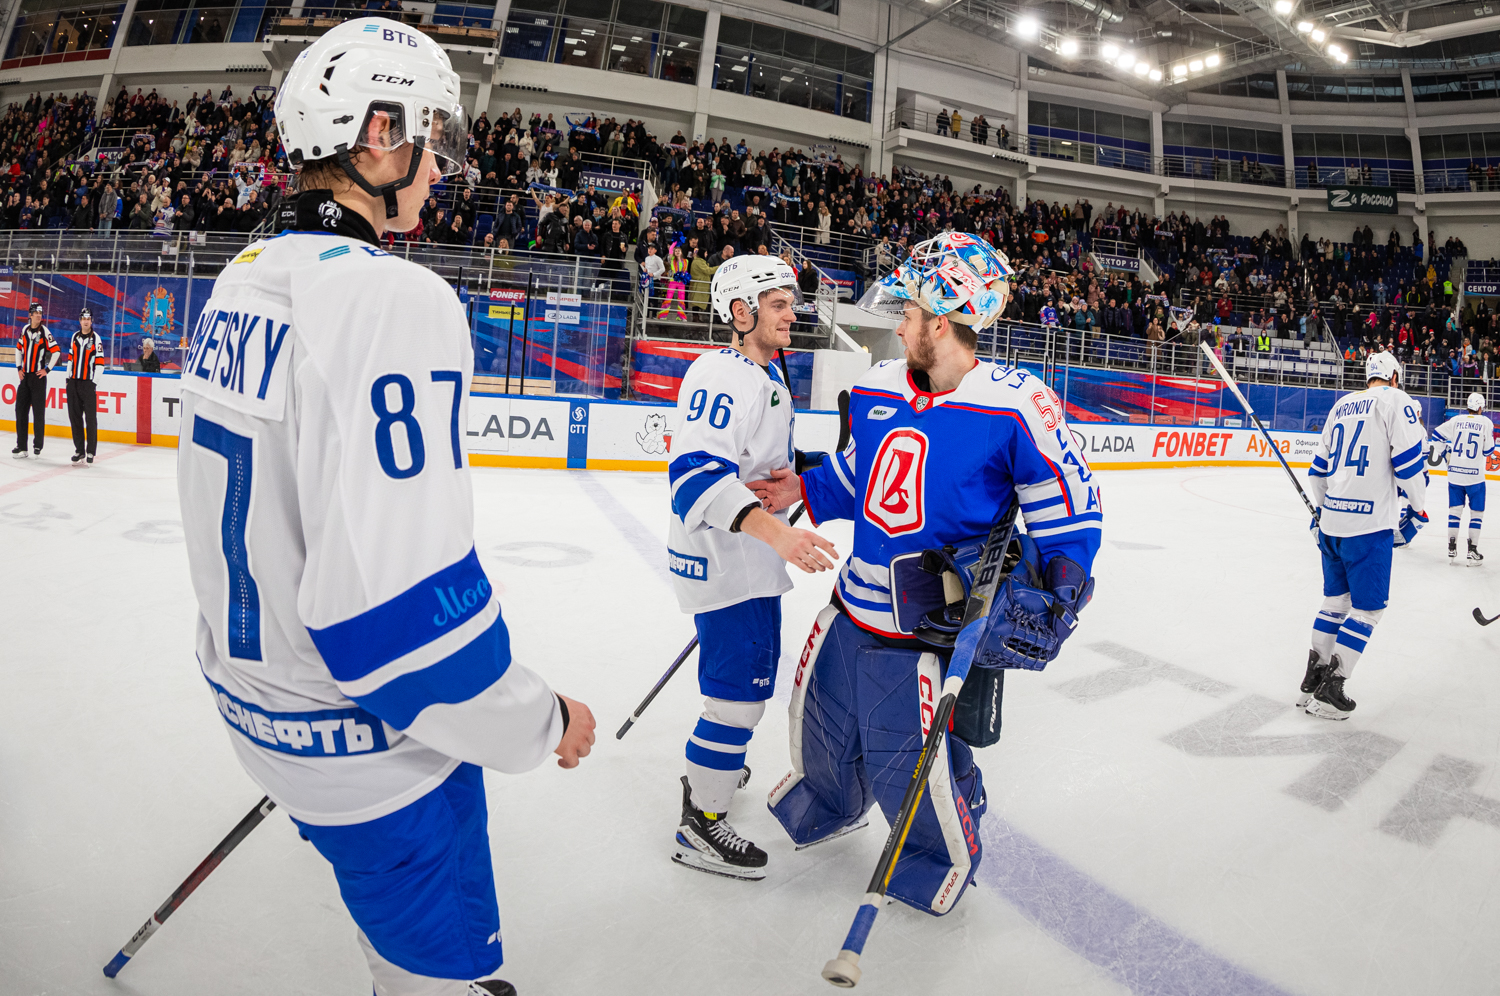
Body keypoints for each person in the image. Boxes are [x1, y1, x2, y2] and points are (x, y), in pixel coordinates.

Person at [173, 19, 595, 996]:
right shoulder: (394, 302)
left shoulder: (242, 281)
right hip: (369, 749)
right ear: (377, 131)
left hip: (255, 711)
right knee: (435, 976)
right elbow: (399, 616)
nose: (440, 169)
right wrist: (541, 722)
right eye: (432, 140)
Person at [748, 232, 1101, 917]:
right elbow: (863, 476)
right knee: (822, 721)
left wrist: (1061, 586)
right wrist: (804, 487)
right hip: (853, 605)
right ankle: (829, 795)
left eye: (907, 312)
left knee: (905, 755)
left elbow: (1069, 507)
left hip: (925, 627)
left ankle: (936, 852)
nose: (897, 323)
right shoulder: (878, 387)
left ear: (942, 320)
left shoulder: (1015, 405)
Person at [665, 255, 839, 880]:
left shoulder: (761, 374)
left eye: (793, 303)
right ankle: (700, 823)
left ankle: (717, 764)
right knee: (738, 698)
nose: (793, 314)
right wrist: (780, 539)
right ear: (740, 313)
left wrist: (822, 470)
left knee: (740, 685)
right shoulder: (722, 373)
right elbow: (694, 478)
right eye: (778, 305)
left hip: (742, 558)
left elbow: (770, 463)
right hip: (727, 561)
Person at [1302, 351, 1429, 720]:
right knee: (1368, 610)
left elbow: (1317, 472)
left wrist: (1323, 512)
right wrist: (1418, 507)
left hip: (1332, 526)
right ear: (1394, 377)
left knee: (1334, 604)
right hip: (1368, 527)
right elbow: (1408, 466)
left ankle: (1312, 679)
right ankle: (1332, 689)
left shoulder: (1342, 404)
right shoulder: (1396, 399)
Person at [1434, 392, 1494, 564]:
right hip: (1475, 477)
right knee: (1477, 513)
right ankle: (1472, 551)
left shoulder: (1456, 420)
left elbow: (1436, 436)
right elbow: (1488, 451)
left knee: (1454, 511)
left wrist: (1445, 452)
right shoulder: (1485, 422)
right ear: (1481, 407)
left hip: (1455, 474)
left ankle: (1451, 548)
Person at [12, 303, 59, 458]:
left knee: (38, 413)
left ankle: (37, 446)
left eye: (40, 313)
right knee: (20, 410)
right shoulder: (25, 330)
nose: (39, 315)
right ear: (30, 315)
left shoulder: (45, 332)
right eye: (36, 313)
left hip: (38, 378)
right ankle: (21, 446)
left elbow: (56, 352)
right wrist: (19, 368)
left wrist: (47, 370)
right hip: (25, 377)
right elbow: (19, 349)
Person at [65, 307, 101, 464]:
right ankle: (79, 450)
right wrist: (68, 379)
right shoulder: (74, 337)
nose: (86, 321)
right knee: (75, 418)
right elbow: (70, 360)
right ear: (80, 321)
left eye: (88, 318)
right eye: (83, 318)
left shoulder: (96, 339)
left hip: (88, 384)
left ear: (91, 320)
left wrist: (93, 383)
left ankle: (91, 451)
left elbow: (100, 365)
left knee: (91, 419)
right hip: (73, 383)